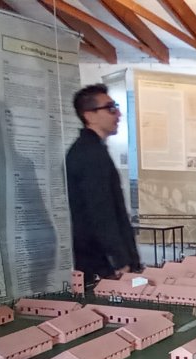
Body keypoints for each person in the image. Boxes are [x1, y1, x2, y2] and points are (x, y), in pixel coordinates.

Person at [66, 84, 140, 282]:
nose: (118, 114)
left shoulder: (93, 149)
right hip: (102, 263)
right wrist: (119, 260)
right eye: (110, 108)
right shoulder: (89, 154)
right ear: (89, 115)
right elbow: (100, 212)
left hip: (103, 260)